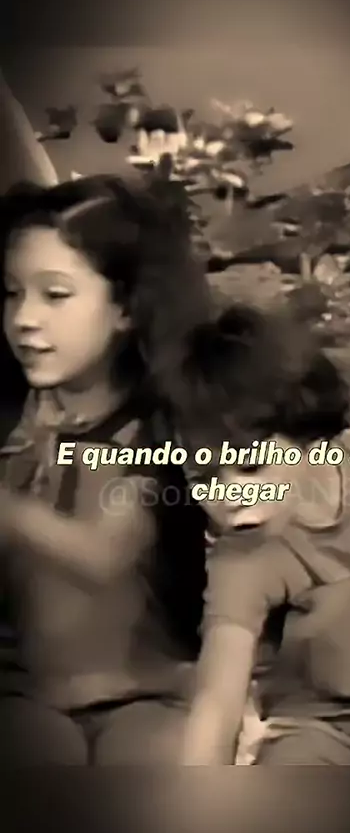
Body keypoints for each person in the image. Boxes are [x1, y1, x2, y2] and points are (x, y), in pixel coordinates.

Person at [163, 303, 350, 766]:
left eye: (250, 466)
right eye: (203, 476)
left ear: (313, 437)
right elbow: (216, 704)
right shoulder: (241, 559)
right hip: (318, 736)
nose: (228, 494)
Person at [0, 173, 210, 766]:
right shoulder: (14, 420)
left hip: (147, 694)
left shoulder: (159, 429)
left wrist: (10, 511)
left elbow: (104, 554)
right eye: (11, 293)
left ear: (125, 307)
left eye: (55, 295)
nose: (23, 318)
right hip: (26, 695)